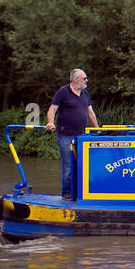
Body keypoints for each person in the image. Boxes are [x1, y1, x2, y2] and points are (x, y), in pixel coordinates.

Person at [46, 69, 99, 199]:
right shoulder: (63, 92)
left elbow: (90, 113)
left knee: (82, 165)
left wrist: (97, 129)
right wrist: (50, 123)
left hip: (81, 136)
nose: (86, 81)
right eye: (84, 78)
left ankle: (80, 192)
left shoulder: (85, 94)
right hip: (66, 135)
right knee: (68, 166)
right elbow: (52, 109)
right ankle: (67, 193)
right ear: (75, 79)